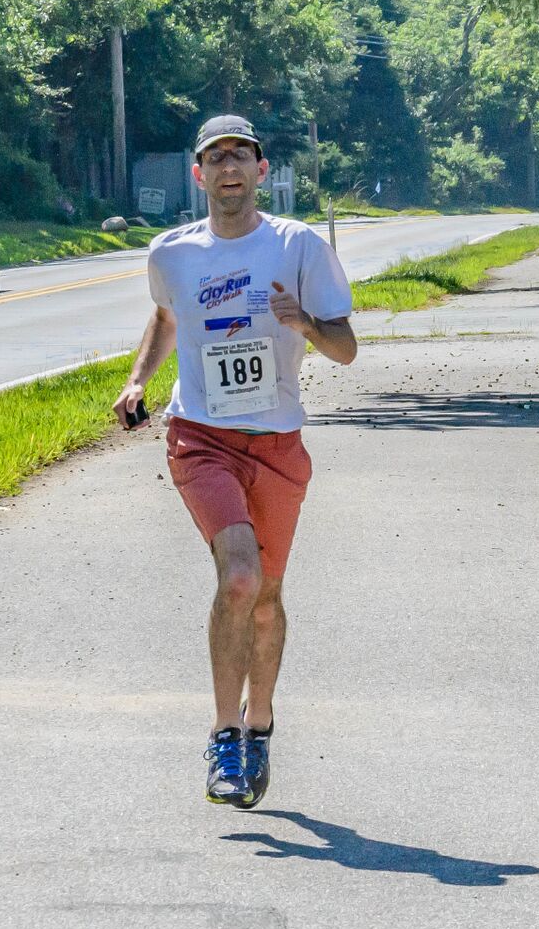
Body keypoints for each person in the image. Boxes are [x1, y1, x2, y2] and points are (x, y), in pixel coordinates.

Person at [114, 114, 358, 806]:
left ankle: (260, 725)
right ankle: (224, 735)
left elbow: (346, 348)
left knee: (269, 596)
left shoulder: (297, 246)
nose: (228, 169)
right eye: (214, 158)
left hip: (278, 443)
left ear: (260, 171)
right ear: (199, 175)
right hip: (202, 437)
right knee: (241, 579)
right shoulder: (171, 254)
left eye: (240, 158)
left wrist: (304, 323)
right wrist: (137, 380)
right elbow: (166, 319)